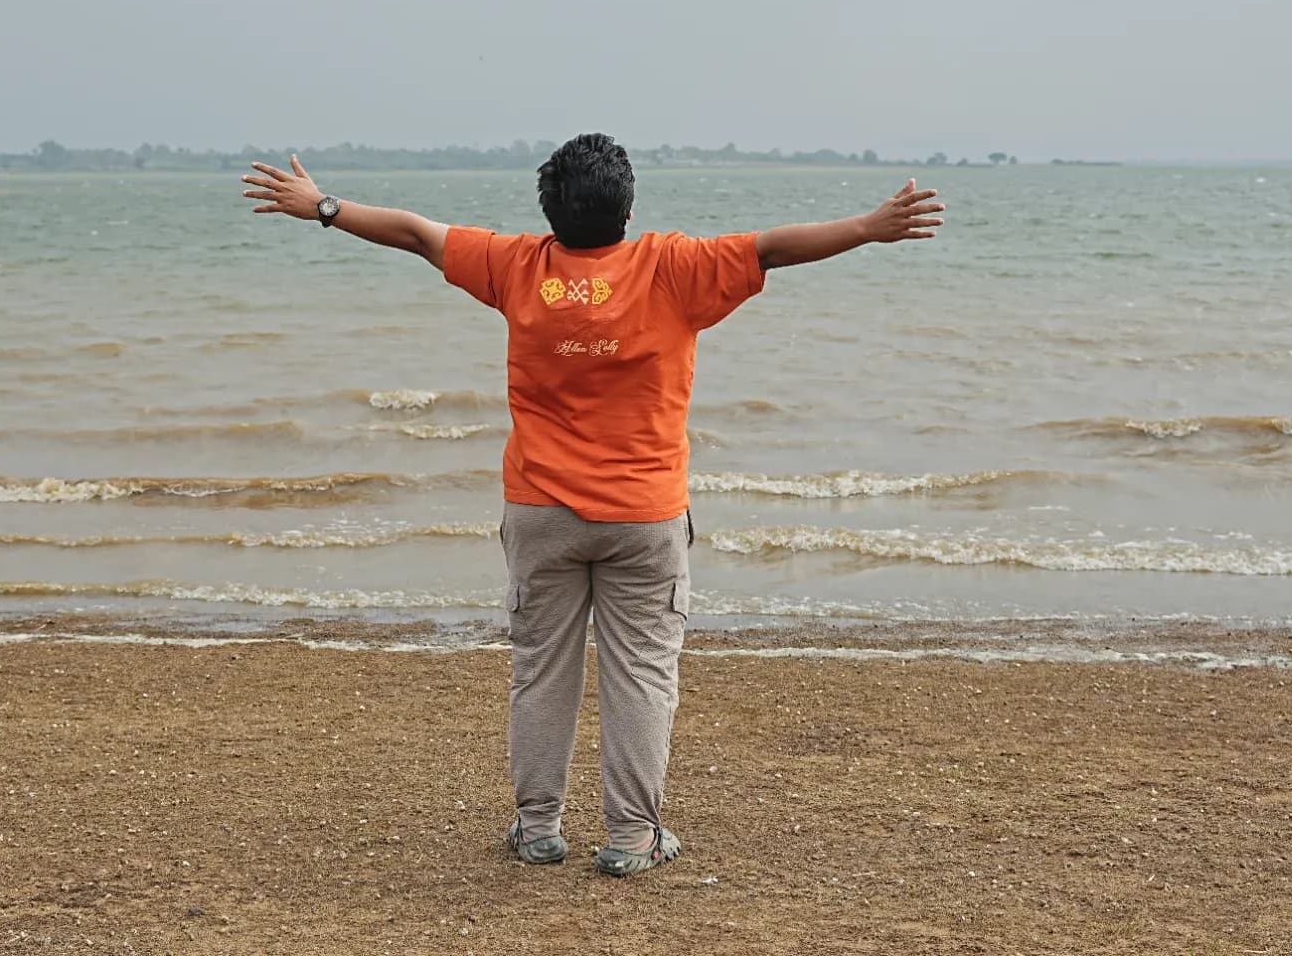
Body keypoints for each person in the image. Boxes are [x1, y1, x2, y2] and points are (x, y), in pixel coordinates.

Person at [242, 133, 943, 876]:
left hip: (541, 512)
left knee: (541, 669)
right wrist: (868, 228)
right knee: (640, 673)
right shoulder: (673, 267)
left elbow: (416, 233)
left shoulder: (516, 266)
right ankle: (632, 839)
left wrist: (321, 206)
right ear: (627, 208)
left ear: (549, 210)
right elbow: (771, 248)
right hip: (644, 516)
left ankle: (538, 829)